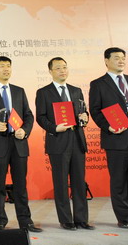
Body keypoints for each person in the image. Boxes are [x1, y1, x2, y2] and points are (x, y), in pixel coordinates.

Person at [0, 56, 42, 232]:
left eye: (8, 66)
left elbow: (28, 115)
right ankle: (0, 221)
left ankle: (25, 221)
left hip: (18, 142)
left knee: (21, 184)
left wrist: (24, 130)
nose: (6, 69)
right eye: (2, 66)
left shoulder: (19, 91)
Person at [35, 57, 92, 230]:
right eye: (58, 68)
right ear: (50, 71)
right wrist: (54, 128)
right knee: (60, 183)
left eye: (65, 67)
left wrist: (85, 117)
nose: (62, 71)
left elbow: (83, 111)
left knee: (79, 182)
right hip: (58, 141)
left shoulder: (76, 90)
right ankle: (66, 219)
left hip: (77, 140)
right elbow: (40, 117)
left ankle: (81, 219)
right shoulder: (44, 92)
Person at [89, 47, 128, 229]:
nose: (121, 61)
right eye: (116, 58)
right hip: (116, 138)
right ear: (106, 61)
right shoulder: (98, 84)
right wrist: (108, 126)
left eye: (123, 58)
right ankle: (124, 217)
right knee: (119, 180)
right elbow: (95, 110)